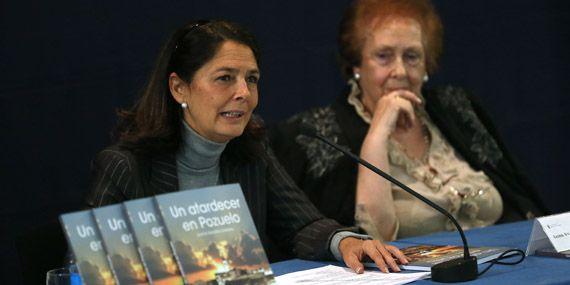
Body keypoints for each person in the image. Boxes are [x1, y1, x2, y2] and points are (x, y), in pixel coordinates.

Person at [86, 19, 408, 274]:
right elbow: (87, 272)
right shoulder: (126, 167)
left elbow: (303, 225)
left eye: (251, 79)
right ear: (179, 88)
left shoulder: (251, 154)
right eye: (225, 78)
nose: (244, 92)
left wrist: (345, 242)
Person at [270, 0, 548, 241]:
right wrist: (377, 134)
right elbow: (372, 239)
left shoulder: (456, 107)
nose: (400, 71)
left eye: (412, 56)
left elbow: (518, 199)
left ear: (427, 65)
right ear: (356, 64)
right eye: (384, 56)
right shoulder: (317, 135)